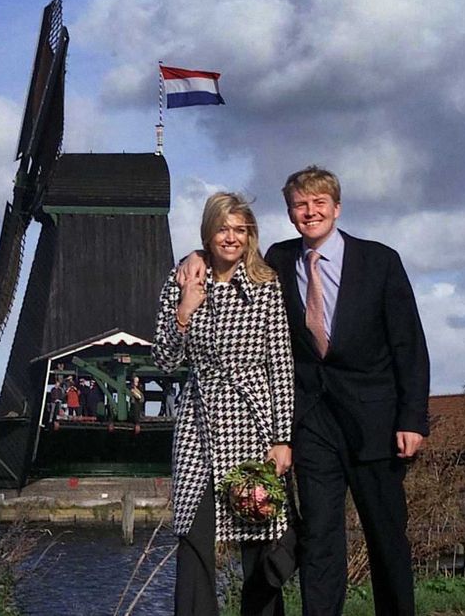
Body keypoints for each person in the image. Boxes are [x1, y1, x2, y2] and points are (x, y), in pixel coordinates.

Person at [177, 167, 429, 616]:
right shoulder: (279, 258)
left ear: (336, 207)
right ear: (291, 212)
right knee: (319, 540)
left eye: (318, 203)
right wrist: (194, 255)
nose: (309, 212)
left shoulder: (380, 261)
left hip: (375, 423)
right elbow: (229, 250)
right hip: (313, 424)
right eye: (300, 205)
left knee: (386, 538)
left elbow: (409, 344)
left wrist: (412, 418)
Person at [153, 192, 295, 616]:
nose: (230, 238)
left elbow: (281, 367)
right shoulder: (181, 282)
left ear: (249, 234)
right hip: (198, 425)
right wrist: (184, 310)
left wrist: (282, 438)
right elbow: (164, 359)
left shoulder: (267, 287)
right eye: (222, 229)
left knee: (259, 537)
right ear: (208, 233)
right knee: (194, 538)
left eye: (239, 229)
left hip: (253, 424)